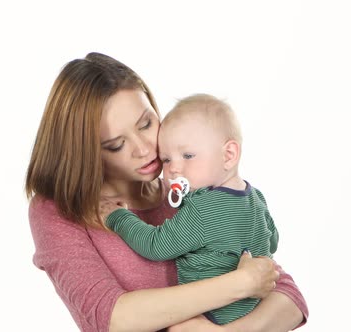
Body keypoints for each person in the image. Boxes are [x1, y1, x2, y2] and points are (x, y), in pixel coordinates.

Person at [26, 52, 308, 331]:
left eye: (146, 124)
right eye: (115, 144)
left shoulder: (193, 191)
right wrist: (239, 284)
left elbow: (285, 293)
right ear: (85, 151)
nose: (145, 149)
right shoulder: (59, 211)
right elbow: (113, 318)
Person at [100, 94, 284, 325]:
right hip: (252, 313)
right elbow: (273, 241)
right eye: (166, 159)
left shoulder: (201, 208)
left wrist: (118, 217)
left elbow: (156, 245)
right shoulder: (256, 197)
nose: (175, 168)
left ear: (228, 155)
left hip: (211, 317)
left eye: (188, 156)